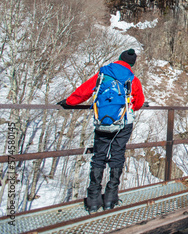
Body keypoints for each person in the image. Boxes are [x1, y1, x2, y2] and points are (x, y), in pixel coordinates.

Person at [58, 49, 145, 213]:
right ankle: (110, 199)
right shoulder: (133, 79)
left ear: (119, 59)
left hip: (103, 120)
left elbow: (83, 92)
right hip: (124, 122)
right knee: (117, 154)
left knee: (99, 156)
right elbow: (139, 102)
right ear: (132, 64)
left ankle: (93, 200)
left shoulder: (103, 74)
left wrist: (69, 102)